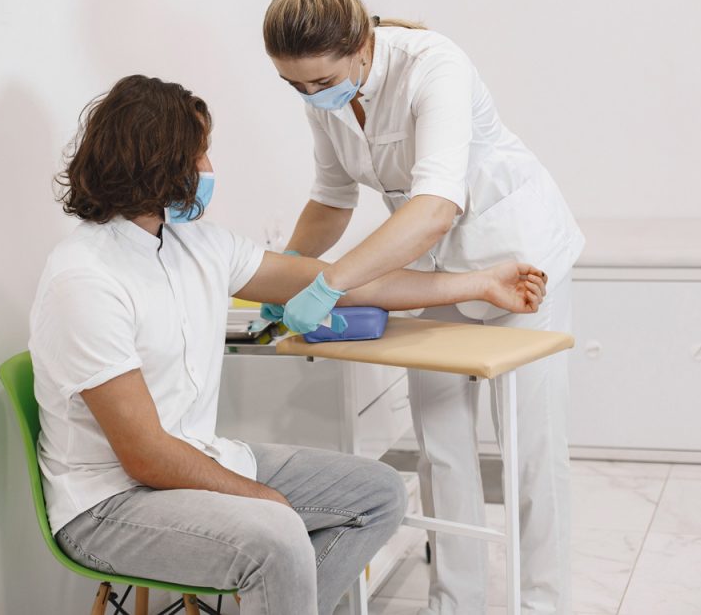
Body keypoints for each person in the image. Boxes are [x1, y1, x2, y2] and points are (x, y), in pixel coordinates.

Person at [28, 74, 550, 615]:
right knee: (275, 532)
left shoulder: (196, 244)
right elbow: (146, 456)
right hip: (109, 505)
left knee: (377, 494)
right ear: (158, 164)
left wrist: (480, 282)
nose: (209, 172)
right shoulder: (85, 279)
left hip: (194, 458)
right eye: (200, 156)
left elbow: (343, 282)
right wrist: (263, 500)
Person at [260, 0, 586, 615]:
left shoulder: (435, 65)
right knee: (441, 445)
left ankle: (542, 605)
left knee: (531, 450)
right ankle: (455, 602)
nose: (309, 94)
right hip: (432, 271)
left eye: (316, 80)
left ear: (361, 46)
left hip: (518, 263)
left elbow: (436, 207)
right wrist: (287, 270)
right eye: (293, 85)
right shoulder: (324, 92)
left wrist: (329, 283)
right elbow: (332, 197)